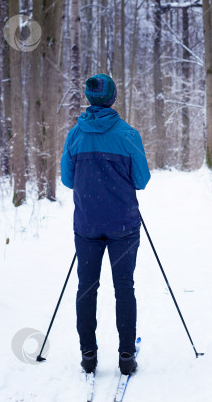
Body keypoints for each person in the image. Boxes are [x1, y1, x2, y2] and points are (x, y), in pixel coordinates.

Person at [60, 74, 151, 376]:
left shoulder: (75, 135)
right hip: (123, 225)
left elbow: (67, 179)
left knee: (87, 287)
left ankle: (89, 355)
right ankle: (126, 355)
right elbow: (141, 180)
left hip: (87, 225)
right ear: (112, 98)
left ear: (89, 98)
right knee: (124, 288)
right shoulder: (128, 135)